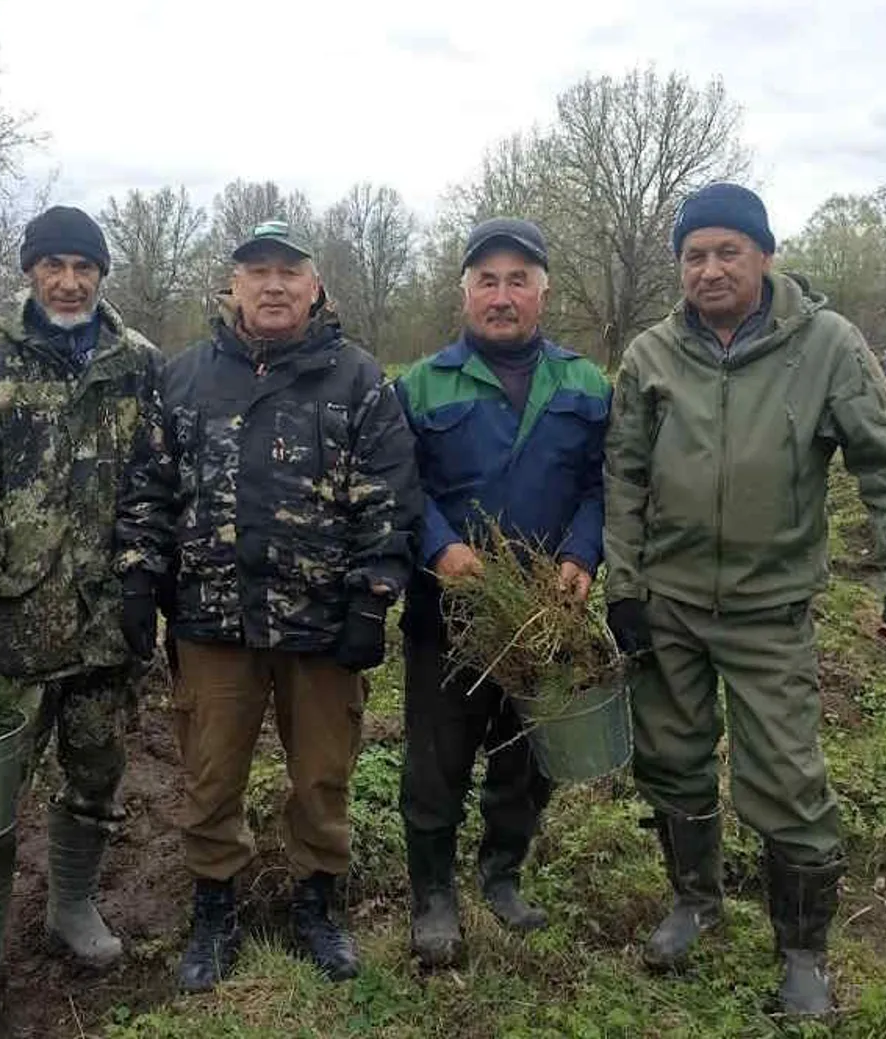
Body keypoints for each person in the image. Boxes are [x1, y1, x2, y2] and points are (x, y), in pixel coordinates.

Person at [602, 184, 886, 1017]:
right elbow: (624, 476)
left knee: (787, 779)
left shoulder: (827, 345)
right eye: (694, 255)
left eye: (728, 251)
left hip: (771, 608)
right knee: (671, 757)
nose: (710, 269)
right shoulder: (651, 355)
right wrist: (624, 586)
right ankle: (694, 901)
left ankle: (802, 952)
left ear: (764, 254)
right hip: (670, 601)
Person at [113, 220, 420, 992]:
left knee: (322, 777)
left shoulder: (357, 378)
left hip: (324, 627)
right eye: (258, 271)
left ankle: (317, 902)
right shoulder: (184, 377)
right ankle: (215, 906)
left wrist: (372, 599)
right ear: (234, 285)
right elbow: (148, 489)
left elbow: (388, 496)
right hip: (212, 622)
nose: (274, 284)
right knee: (210, 775)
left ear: (316, 286)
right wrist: (139, 579)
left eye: (290, 271)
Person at [0, 205, 162, 1037]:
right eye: (53, 266)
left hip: (105, 623)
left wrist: (142, 579)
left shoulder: (139, 366)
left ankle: (72, 906)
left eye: (83, 267)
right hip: (14, 625)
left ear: (102, 274)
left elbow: (154, 484)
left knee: (97, 771)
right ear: (30, 271)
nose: (69, 282)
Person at [394, 218, 610, 968]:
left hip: (547, 619)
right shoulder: (421, 384)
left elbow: (603, 483)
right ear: (465, 293)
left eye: (519, 281)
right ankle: (433, 896)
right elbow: (399, 484)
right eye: (487, 281)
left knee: (527, 758)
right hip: (448, 618)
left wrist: (582, 551)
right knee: (435, 762)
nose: (502, 296)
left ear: (544, 294)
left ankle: (502, 874)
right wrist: (439, 546)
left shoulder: (586, 384)